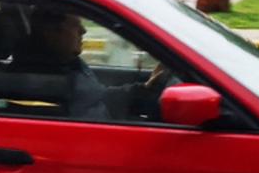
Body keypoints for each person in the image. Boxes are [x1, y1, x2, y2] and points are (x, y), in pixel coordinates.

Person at [17, 7, 167, 120]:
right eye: (75, 25)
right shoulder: (40, 82)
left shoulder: (67, 63)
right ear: (51, 33)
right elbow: (88, 117)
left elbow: (97, 98)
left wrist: (144, 90)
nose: (83, 31)